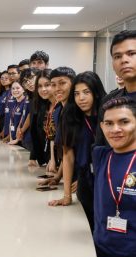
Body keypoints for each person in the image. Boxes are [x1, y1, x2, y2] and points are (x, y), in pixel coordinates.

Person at [49, 72, 106, 232]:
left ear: (96, 92)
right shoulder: (70, 116)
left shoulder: (109, 116)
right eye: (77, 93)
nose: (81, 98)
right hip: (84, 181)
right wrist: (67, 196)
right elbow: (68, 156)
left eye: (86, 92)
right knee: (87, 225)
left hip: (107, 179)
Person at [93, 97, 136, 257]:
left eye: (124, 122)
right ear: (102, 127)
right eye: (109, 123)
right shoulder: (100, 155)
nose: (115, 129)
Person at [96, 30, 136, 146]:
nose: (124, 60)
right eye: (117, 56)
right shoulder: (109, 101)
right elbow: (100, 145)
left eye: (131, 53)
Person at [39, 67, 76, 187]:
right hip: (69, 174)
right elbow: (66, 152)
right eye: (53, 85)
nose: (57, 88)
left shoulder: (78, 111)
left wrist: (67, 196)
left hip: (83, 175)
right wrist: (57, 178)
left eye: (62, 83)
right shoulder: (59, 110)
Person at [30, 69, 52, 167]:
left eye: (47, 85)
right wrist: (33, 157)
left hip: (60, 161)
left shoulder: (62, 107)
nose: (43, 89)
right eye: (39, 86)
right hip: (46, 159)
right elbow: (35, 132)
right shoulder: (40, 105)